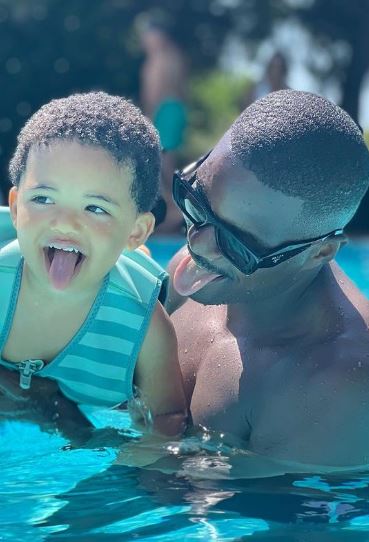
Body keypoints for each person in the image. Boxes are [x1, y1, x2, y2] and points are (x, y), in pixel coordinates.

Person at [166, 89, 369, 473]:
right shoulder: (197, 272)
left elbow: (241, 519)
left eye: (236, 242)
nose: (198, 243)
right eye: (196, 201)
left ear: (320, 253)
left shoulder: (335, 386)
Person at [0, 91, 187, 439]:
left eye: (95, 208)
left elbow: (167, 417)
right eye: (43, 198)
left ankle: (134, 255)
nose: (65, 222)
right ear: (15, 206)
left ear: (137, 230)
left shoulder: (143, 326)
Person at [140, 20, 188, 235]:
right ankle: (179, 211)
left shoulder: (156, 60)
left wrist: (149, 119)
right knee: (168, 164)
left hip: (163, 112)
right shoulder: (175, 56)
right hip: (176, 109)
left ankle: (176, 213)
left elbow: (154, 95)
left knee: (162, 165)